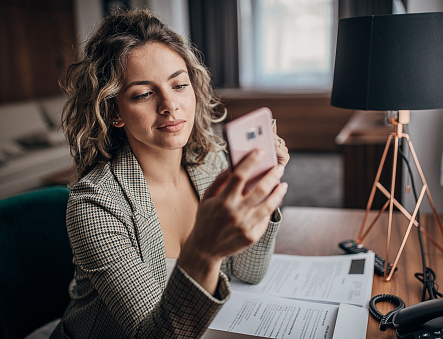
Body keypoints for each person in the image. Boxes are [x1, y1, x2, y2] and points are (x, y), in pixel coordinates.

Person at [49, 8, 289, 339]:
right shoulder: (95, 206)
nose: (169, 105)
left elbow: (249, 271)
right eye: (144, 93)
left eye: (178, 84)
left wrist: (262, 192)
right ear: (114, 111)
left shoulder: (212, 163)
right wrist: (203, 251)